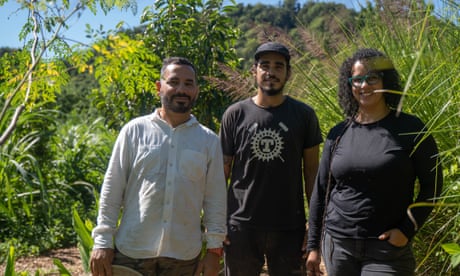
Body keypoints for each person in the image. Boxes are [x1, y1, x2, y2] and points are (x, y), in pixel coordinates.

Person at [306, 48, 443, 276]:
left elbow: (434, 186)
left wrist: (408, 229)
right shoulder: (338, 133)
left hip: (387, 250)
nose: (364, 85)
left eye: (372, 78)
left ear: (385, 80)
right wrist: (313, 247)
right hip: (339, 245)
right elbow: (321, 193)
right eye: (357, 79)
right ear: (349, 85)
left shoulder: (410, 128)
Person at [90, 57, 227, 276]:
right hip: (132, 251)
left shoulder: (208, 141)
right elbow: (112, 188)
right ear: (159, 86)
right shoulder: (134, 131)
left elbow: (215, 200)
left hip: (182, 258)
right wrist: (102, 242)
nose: (181, 89)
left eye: (188, 84)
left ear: (196, 91)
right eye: (173, 82)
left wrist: (214, 251)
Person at [219, 42, 323, 276]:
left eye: (279, 66)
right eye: (264, 65)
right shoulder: (235, 114)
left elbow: (312, 174)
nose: (271, 72)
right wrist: (218, 221)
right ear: (254, 71)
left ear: (288, 73)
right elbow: (221, 172)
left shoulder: (304, 115)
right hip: (240, 226)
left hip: (289, 227)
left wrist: (314, 227)